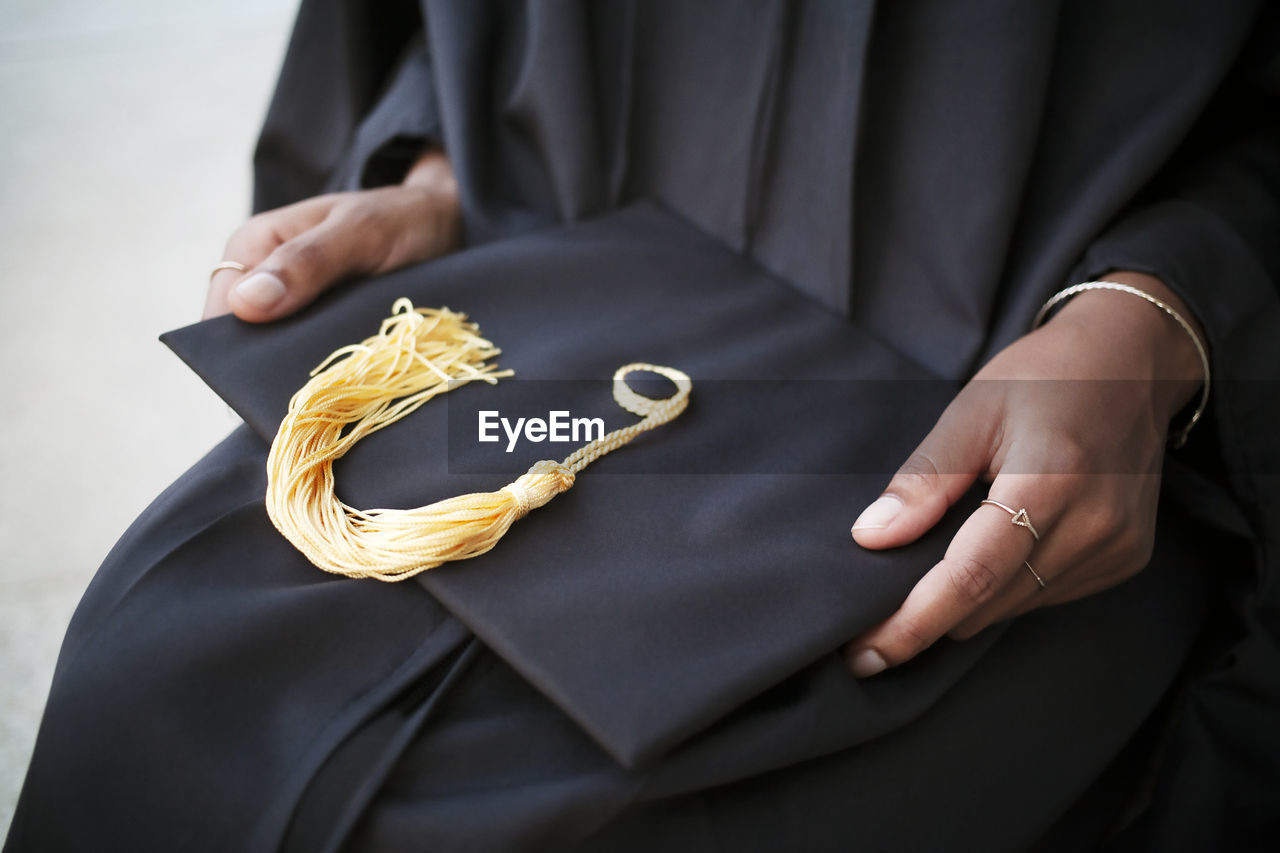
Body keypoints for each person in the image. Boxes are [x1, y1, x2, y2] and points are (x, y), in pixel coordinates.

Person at [8, 1, 1279, 850]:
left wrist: (1164, 313)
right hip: (546, 275)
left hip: (1003, 418)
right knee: (145, 675)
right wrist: (441, 166)